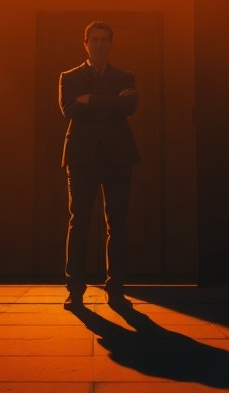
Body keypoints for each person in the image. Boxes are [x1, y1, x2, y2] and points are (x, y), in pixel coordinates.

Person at [58, 20, 140, 308]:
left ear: (110, 43)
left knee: (117, 223)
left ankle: (116, 290)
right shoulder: (69, 77)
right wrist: (111, 105)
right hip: (81, 158)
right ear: (85, 44)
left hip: (117, 156)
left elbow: (129, 106)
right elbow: (70, 109)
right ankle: (75, 290)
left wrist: (92, 99)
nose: (100, 44)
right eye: (94, 40)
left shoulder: (125, 76)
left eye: (104, 39)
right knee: (78, 221)